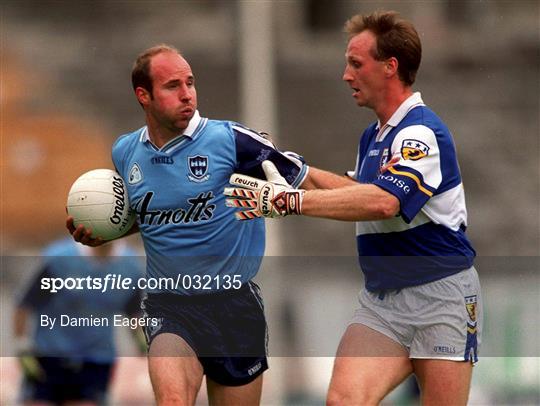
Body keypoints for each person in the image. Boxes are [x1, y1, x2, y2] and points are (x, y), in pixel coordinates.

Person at [225, 10, 482, 406]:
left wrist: (291, 201)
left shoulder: (420, 132)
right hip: (382, 301)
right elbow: (360, 190)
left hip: (441, 296)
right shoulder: (374, 136)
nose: (346, 75)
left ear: (390, 67)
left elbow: (383, 202)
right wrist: (295, 171)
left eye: (356, 64)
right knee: (343, 400)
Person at [66, 44, 308, 405]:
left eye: (190, 83)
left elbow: (307, 180)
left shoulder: (230, 140)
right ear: (143, 95)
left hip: (235, 306)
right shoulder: (125, 151)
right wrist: (106, 232)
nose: (187, 95)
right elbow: (149, 215)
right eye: (172, 86)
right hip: (170, 306)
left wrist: (369, 196)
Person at [14, 237, 144, 406]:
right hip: (49, 358)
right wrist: (22, 345)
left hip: (95, 361)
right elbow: (24, 305)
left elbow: (134, 312)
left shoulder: (130, 267)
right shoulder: (59, 260)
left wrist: (142, 341)